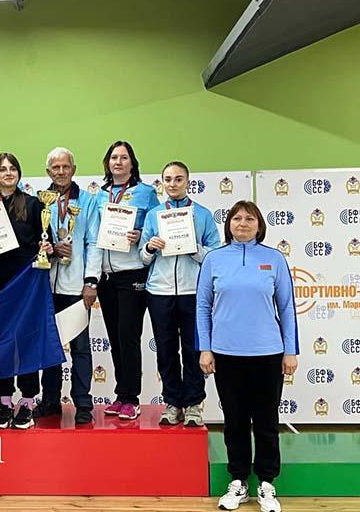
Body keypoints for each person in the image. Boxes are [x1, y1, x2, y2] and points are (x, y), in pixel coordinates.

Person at [196, 200, 298, 512]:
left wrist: (290, 351)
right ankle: (238, 481)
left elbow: (286, 307)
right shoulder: (214, 259)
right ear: (228, 224)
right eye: (237, 218)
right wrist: (205, 347)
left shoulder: (274, 259)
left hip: (268, 353)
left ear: (259, 225)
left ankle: (266, 482)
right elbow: (202, 306)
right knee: (235, 420)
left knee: (266, 421)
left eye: (249, 219)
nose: (242, 223)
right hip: (226, 353)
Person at [140, 161, 220, 427]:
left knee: (192, 349)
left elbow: (215, 255)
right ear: (162, 183)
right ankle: (172, 402)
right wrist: (150, 247)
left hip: (193, 291)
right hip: (159, 291)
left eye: (178, 179)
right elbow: (142, 257)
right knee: (165, 349)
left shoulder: (203, 215)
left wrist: (194, 248)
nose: (172, 184)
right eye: (167, 179)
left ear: (188, 182)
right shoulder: (153, 215)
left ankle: (194, 403)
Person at [0, 153, 53, 430]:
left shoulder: (35, 204)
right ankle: (3, 401)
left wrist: (47, 247)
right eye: (2, 169)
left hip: (26, 284)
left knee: (26, 341)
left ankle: (27, 401)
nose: (8, 173)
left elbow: (47, 241)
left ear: (19, 173)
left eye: (13, 168)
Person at [33, 147, 100, 425]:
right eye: (55, 168)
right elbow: (34, 240)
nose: (60, 172)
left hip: (76, 286)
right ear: (48, 172)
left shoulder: (88, 201)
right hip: (46, 285)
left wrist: (91, 281)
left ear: (74, 169)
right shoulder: (40, 202)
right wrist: (48, 250)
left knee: (80, 347)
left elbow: (94, 242)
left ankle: (83, 402)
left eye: (65, 167)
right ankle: (50, 399)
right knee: (49, 345)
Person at [95, 141, 158, 420]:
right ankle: (121, 395)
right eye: (113, 157)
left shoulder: (146, 192)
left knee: (128, 336)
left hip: (132, 273)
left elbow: (157, 227)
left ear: (132, 163)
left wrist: (141, 234)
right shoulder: (100, 194)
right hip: (106, 276)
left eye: (124, 157)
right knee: (114, 337)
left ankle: (131, 398)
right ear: (107, 163)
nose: (118, 162)